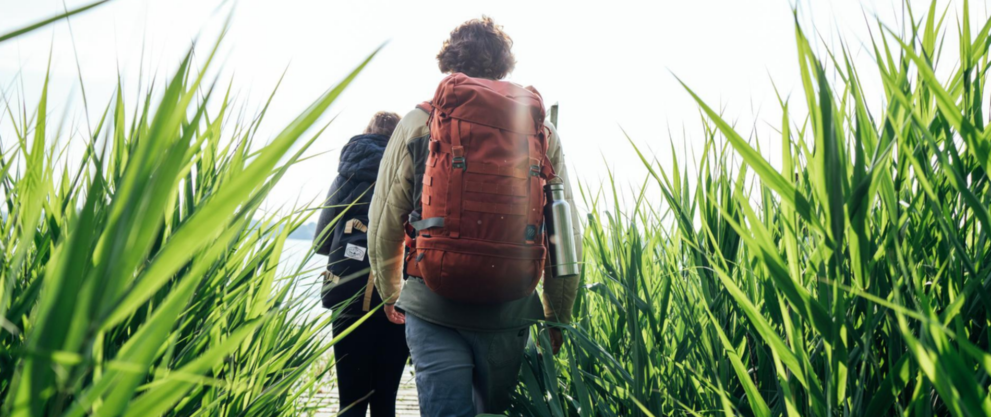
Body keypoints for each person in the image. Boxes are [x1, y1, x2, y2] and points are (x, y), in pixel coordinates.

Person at [367, 17, 583, 416]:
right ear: (504, 65)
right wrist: (557, 315)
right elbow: (564, 230)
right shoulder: (539, 128)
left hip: (433, 302)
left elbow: (384, 218)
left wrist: (390, 292)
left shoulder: (420, 121)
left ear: (450, 61)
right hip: (510, 305)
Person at [314, 111, 410, 417]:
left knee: (350, 403)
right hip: (396, 292)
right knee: (385, 402)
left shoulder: (347, 173)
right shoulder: (412, 172)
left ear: (367, 132)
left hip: (347, 292)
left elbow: (320, 242)